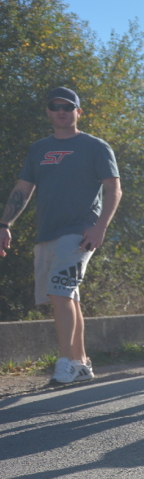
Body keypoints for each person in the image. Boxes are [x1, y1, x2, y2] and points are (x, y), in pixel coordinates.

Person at [0, 87, 121, 385]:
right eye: (55, 106)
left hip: (79, 231)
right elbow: (22, 190)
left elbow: (113, 188)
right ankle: (80, 363)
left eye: (68, 106)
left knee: (59, 291)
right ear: (48, 112)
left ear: (79, 112)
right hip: (47, 234)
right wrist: (5, 224)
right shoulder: (38, 149)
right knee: (67, 295)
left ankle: (65, 362)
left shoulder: (95, 146)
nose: (61, 111)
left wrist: (101, 226)